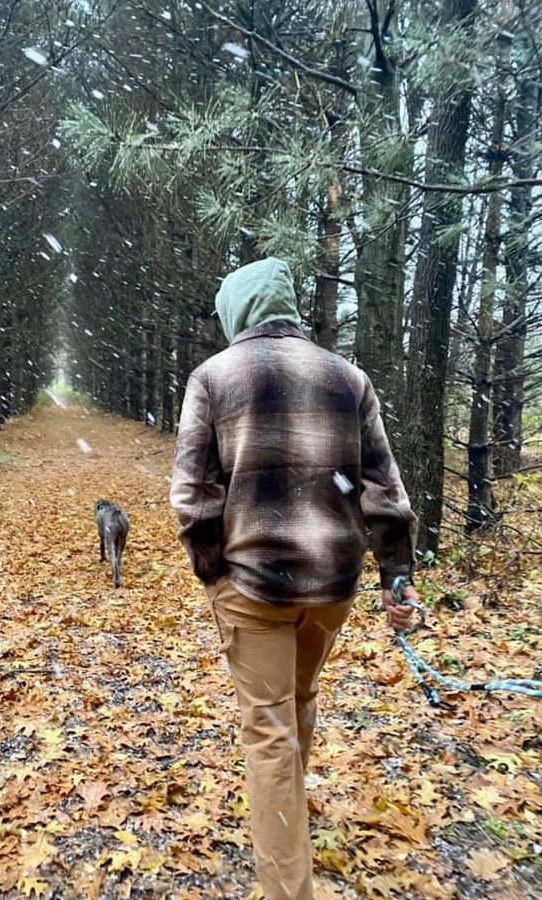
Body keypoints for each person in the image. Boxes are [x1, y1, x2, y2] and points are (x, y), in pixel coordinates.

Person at [170, 257, 419, 900]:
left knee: (270, 733)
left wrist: (211, 570)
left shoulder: (214, 378)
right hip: (332, 585)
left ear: (237, 313)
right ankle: (286, 827)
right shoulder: (349, 378)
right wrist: (398, 575)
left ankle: (287, 884)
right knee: (296, 703)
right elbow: (383, 488)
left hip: (252, 585)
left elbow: (193, 494)